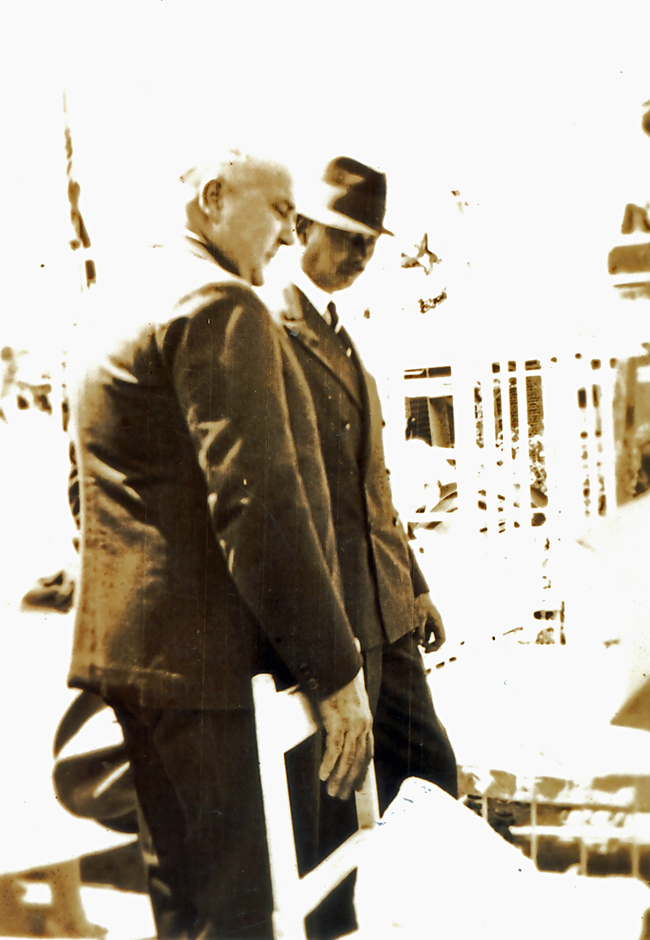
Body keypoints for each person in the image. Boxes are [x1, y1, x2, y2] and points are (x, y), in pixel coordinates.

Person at [66, 151, 374, 940]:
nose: (288, 233)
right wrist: (336, 675)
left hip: (131, 661)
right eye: (278, 211)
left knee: (185, 905)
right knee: (238, 913)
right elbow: (259, 510)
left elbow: (85, 491)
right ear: (213, 198)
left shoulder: (116, 303)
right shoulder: (219, 300)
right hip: (203, 673)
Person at [277, 155, 458, 818]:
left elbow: (370, 485)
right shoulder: (268, 332)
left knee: (432, 779)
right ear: (301, 227)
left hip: (388, 611)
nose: (360, 254)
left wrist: (416, 585)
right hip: (336, 622)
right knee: (342, 813)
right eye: (346, 235)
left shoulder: (344, 334)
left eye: (368, 241)